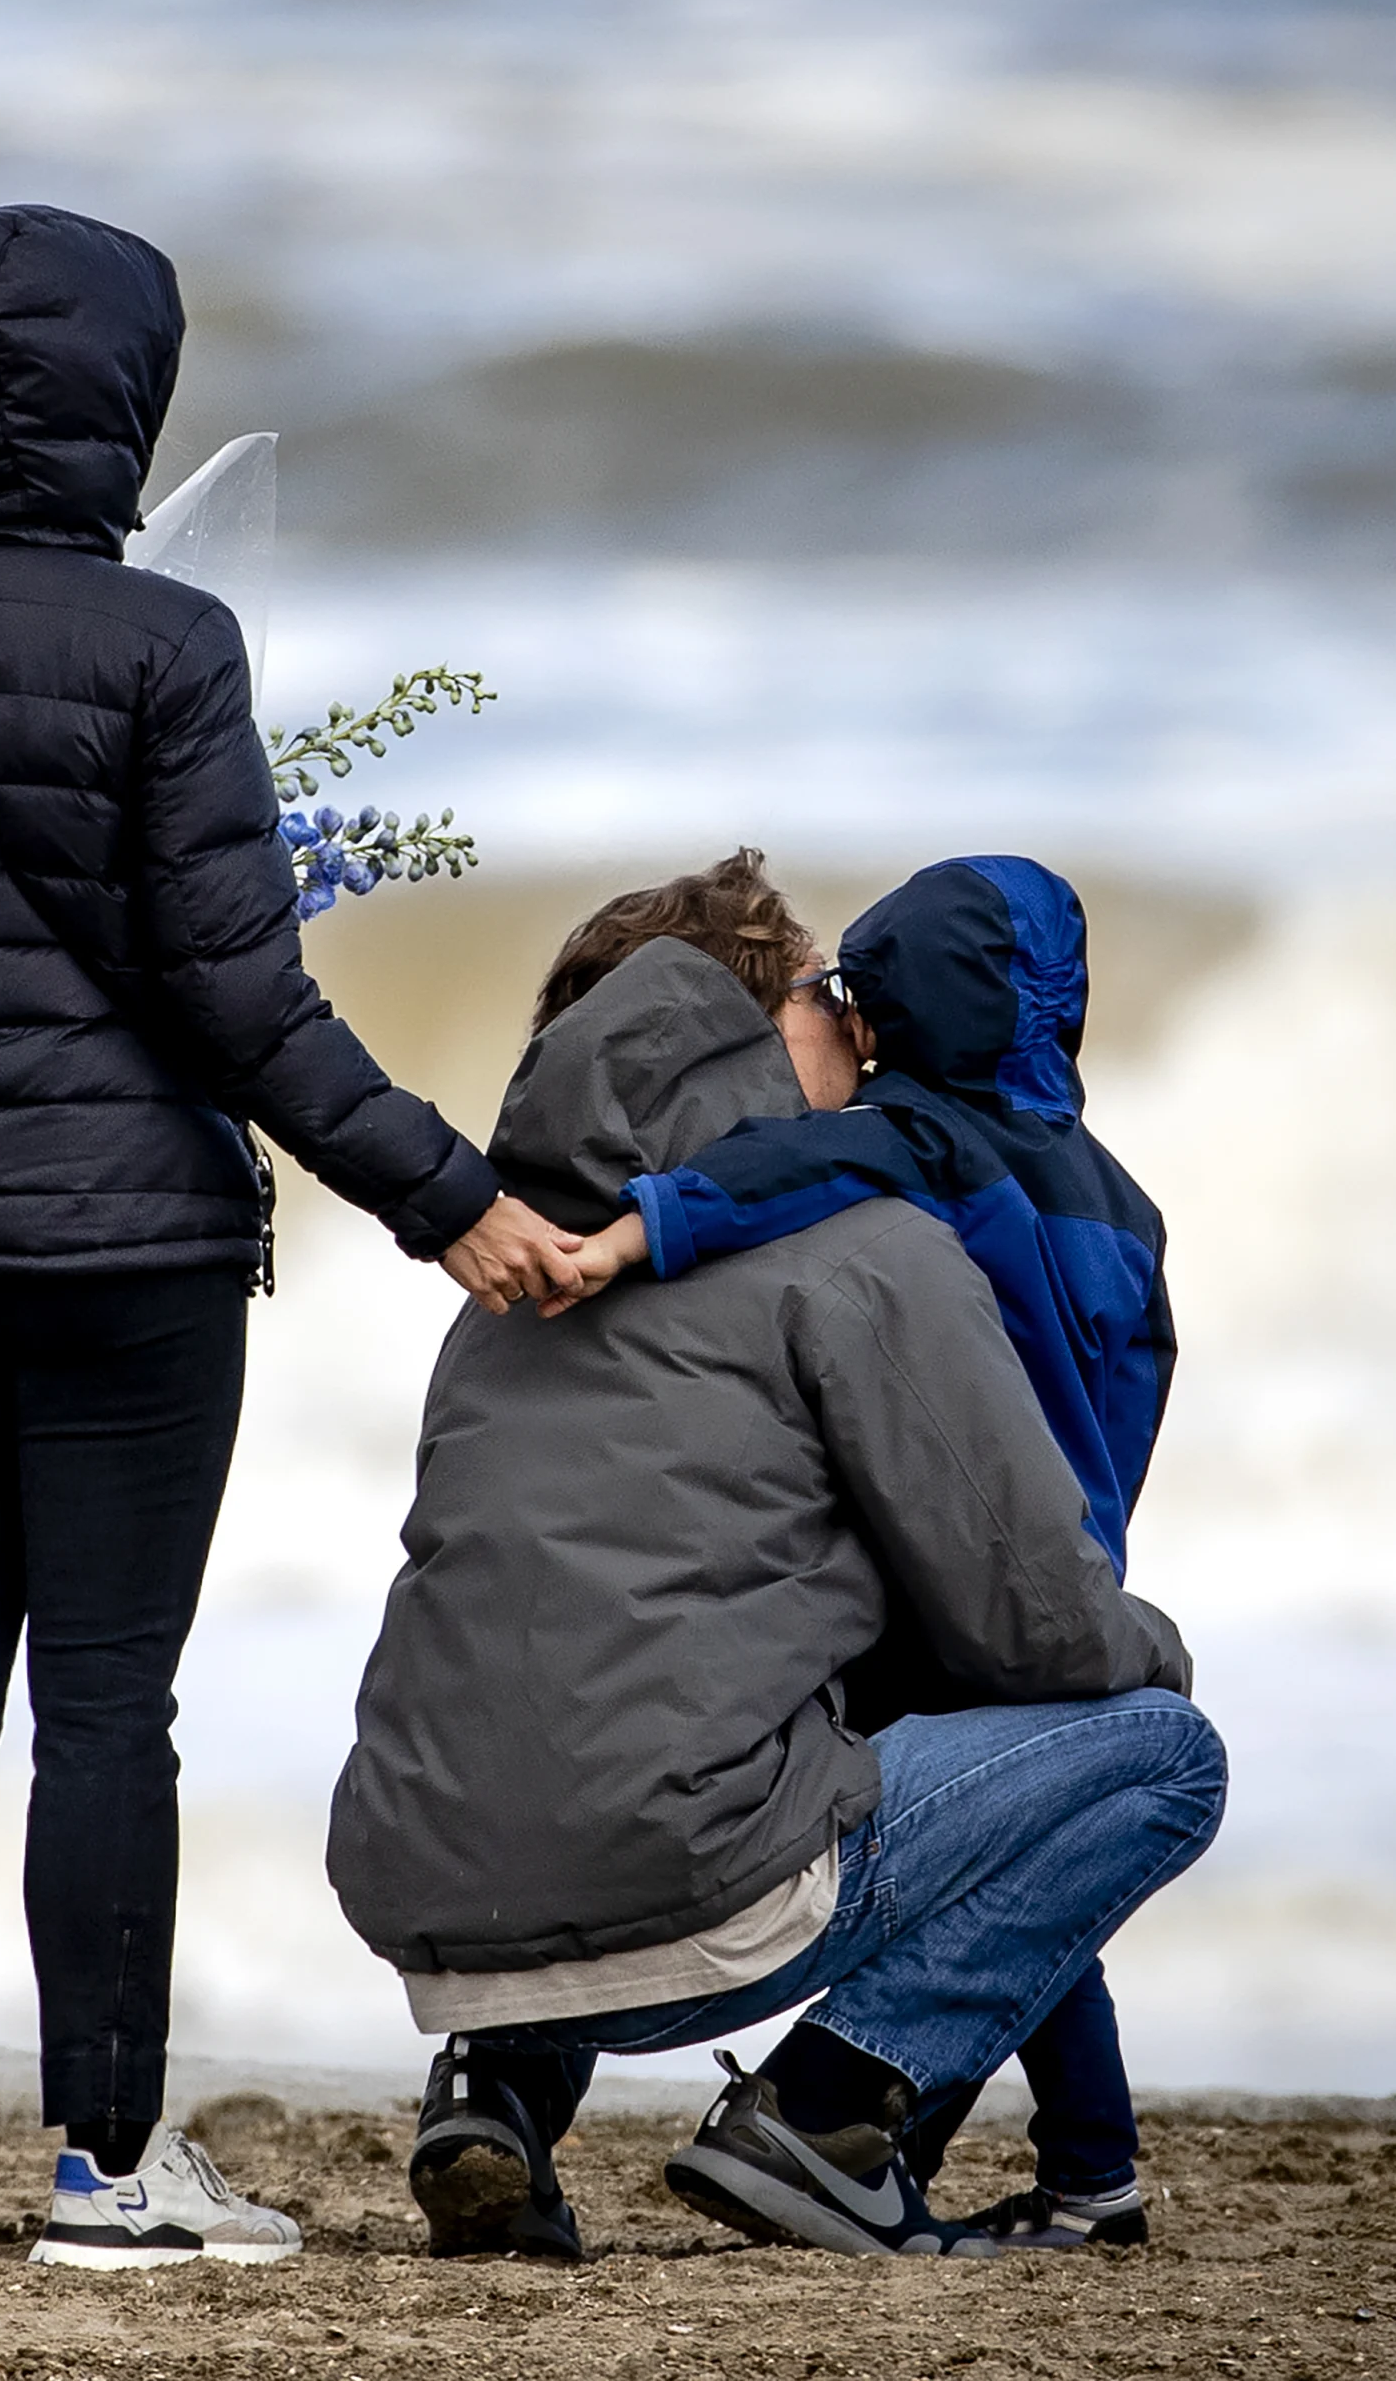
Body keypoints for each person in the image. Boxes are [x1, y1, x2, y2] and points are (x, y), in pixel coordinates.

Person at [0, 202, 585, 2275]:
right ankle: (101, 2172)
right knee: (108, 1707)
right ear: (121, 405)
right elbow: (242, 1003)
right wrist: (457, 1204)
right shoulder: (171, 649)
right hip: (129, 1261)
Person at [328, 863, 1220, 2260]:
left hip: (442, 1921)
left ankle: (492, 2096)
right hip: (686, 1904)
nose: (859, 1030)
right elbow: (1031, 1623)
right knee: (1164, 1750)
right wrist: (1141, 1647)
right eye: (825, 994)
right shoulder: (869, 1254)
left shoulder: (513, 1284)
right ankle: (825, 2111)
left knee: (613, 1679)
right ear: (741, 1033)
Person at [549, 854, 1176, 2248]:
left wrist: (639, 1228)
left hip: (935, 1565)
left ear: (904, 1004)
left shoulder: (918, 1135)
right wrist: (1093, 1544)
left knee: (923, 1844)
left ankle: (882, 2132)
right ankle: (1079, 2170)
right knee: (1032, 1862)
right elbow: (1143, 1378)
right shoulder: (1126, 1206)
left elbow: (782, 1169)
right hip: (1064, 1563)